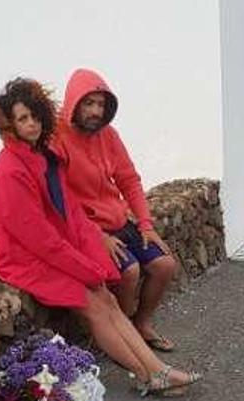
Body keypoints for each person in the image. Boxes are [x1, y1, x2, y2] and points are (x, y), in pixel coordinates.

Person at [0, 78, 201, 396]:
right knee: (94, 305)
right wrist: (85, 267)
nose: (31, 124)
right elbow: (38, 238)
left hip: (54, 250)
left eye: (35, 116)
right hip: (26, 259)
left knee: (106, 298)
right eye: (22, 119)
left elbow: (69, 214)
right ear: (9, 125)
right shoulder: (12, 170)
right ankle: (146, 375)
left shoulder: (39, 156)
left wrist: (90, 254)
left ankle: (158, 370)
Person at [56, 68, 179, 352]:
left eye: (101, 104)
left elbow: (129, 179)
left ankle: (142, 325)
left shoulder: (109, 135)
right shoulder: (58, 139)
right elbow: (62, 198)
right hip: (88, 228)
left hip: (120, 219)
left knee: (164, 265)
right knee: (130, 272)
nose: (96, 111)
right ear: (74, 102)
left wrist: (146, 224)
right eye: (89, 103)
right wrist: (97, 235)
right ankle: (121, 339)